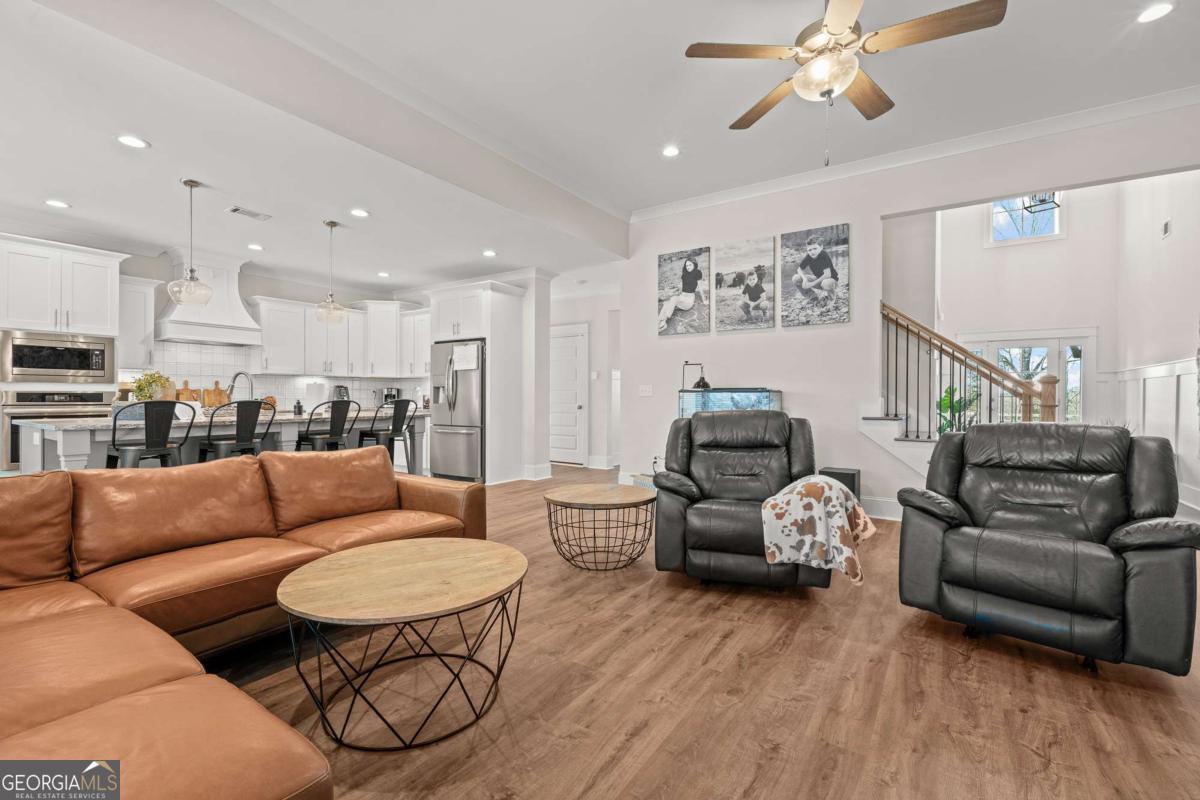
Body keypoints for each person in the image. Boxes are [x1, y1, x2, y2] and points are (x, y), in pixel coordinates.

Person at [658, 257, 706, 331]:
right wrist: (675, 289)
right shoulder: (685, 274)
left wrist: (704, 300)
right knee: (668, 301)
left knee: (674, 298)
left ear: (694, 264)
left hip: (688, 300)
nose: (688, 267)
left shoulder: (697, 272)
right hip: (682, 297)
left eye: (690, 265)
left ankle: (664, 322)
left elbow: (700, 287)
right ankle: (659, 320)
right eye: (686, 265)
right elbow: (683, 286)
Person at [791, 235, 839, 305]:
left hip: (831, 281)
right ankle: (813, 297)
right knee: (796, 278)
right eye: (809, 250)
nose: (812, 252)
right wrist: (804, 279)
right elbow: (799, 269)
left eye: (815, 248)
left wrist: (810, 284)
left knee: (825, 283)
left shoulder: (823, 255)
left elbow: (827, 274)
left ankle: (831, 297)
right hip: (819, 280)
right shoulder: (809, 256)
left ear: (821, 247)